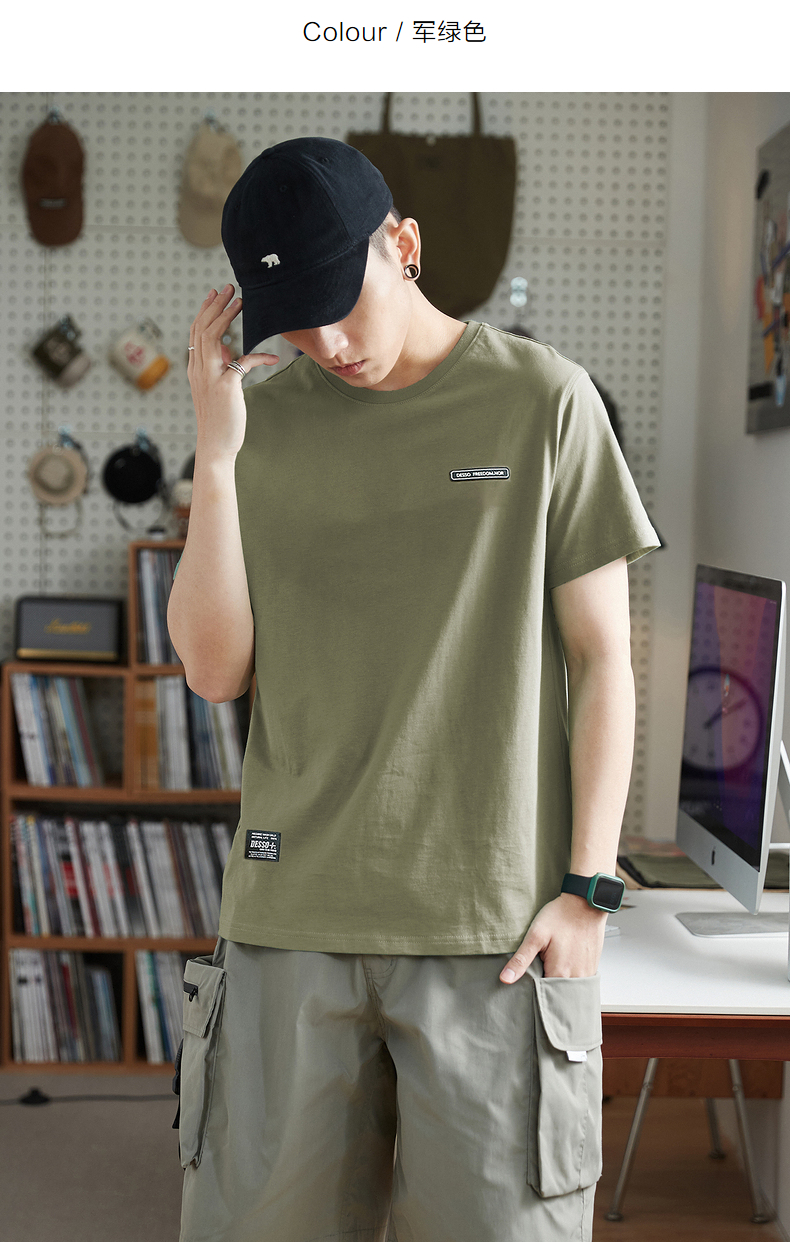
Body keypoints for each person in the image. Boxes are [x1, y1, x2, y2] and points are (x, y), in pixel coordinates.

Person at [167, 136, 661, 1242]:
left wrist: (589, 890)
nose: (327, 344)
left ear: (405, 245)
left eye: (340, 303)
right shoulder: (259, 423)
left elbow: (601, 660)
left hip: (492, 929)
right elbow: (212, 669)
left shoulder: (546, 402)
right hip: (290, 916)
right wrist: (215, 456)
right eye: (295, 322)